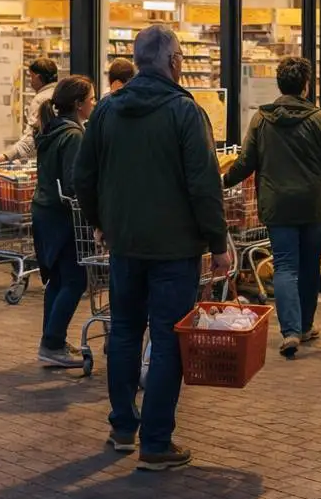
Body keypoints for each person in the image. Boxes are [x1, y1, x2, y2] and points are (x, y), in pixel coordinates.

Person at [74, 25, 231, 471]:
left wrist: (101, 222)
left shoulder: (106, 111)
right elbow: (204, 186)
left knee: (122, 332)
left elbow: (83, 176)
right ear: (174, 61)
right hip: (175, 249)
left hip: (125, 244)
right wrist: (218, 243)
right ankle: (156, 443)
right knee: (166, 340)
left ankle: (123, 428)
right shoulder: (185, 112)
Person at [223, 57, 321, 359]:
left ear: (280, 85)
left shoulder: (262, 120)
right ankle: (305, 326)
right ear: (306, 86)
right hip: (314, 205)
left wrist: (223, 180)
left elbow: (246, 162)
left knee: (285, 266)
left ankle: (290, 331)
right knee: (309, 266)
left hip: (278, 205)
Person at [31, 75, 97, 369]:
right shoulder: (73, 136)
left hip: (45, 212)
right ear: (79, 104)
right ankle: (52, 343)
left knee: (58, 279)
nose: (94, 103)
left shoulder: (52, 130)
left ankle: (52, 339)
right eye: (92, 99)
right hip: (63, 216)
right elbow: (74, 183)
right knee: (74, 279)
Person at [0, 57, 59, 162]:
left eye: (31, 77)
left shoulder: (40, 100)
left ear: (38, 78)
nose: (30, 82)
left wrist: (7, 155)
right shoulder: (61, 94)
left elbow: (32, 139)